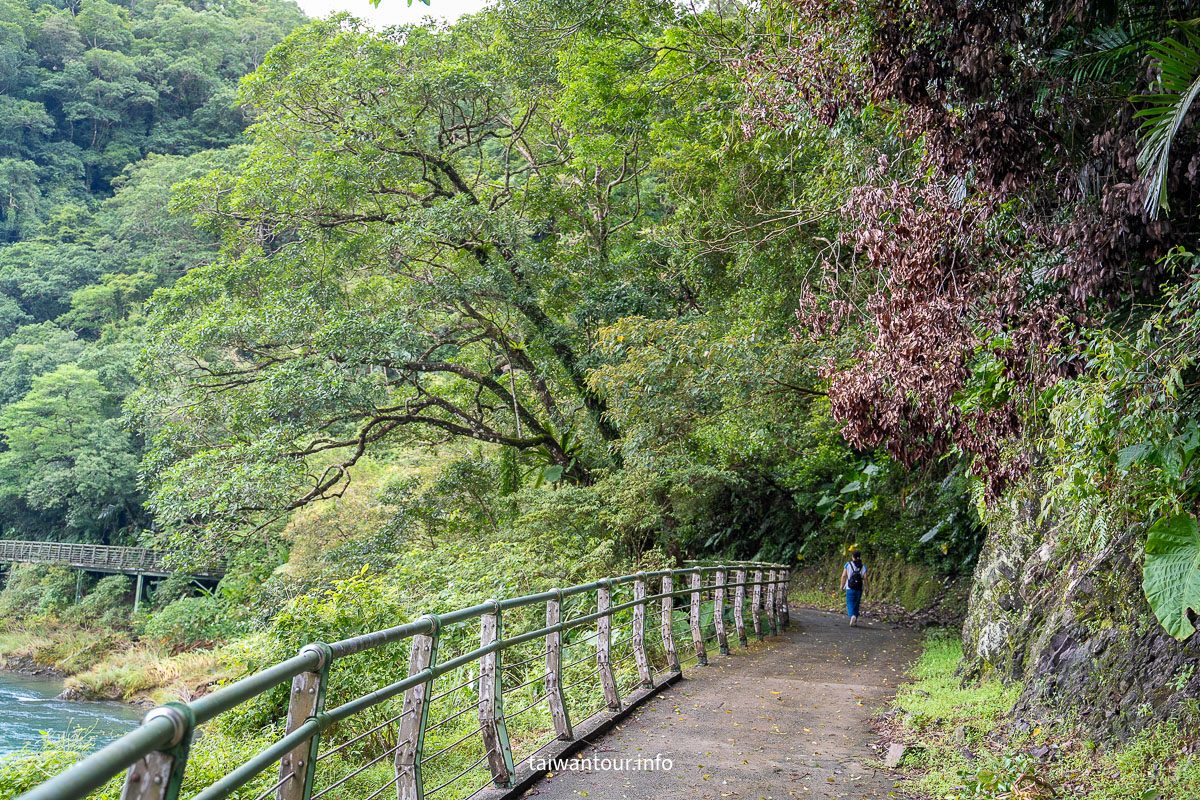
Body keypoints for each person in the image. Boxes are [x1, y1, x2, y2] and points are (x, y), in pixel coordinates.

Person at [840, 551, 868, 626]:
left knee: (850, 603)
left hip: (850, 587)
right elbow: (865, 578)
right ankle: (855, 618)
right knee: (856, 604)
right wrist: (867, 588)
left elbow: (843, 576)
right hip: (859, 588)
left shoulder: (848, 564)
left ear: (852, 556)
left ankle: (852, 616)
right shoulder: (863, 566)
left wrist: (842, 585)